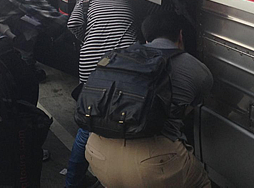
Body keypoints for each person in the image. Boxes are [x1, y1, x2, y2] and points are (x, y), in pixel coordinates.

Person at [85, 11, 214, 188]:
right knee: (201, 183)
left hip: (97, 152)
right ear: (181, 35)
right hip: (153, 162)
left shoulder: (115, 56)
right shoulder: (198, 69)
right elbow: (187, 111)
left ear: (146, 39)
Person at [65, 0, 139, 188]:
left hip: (89, 60)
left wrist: (90, 39)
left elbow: (72, 23)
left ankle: (73, 182)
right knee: (119, 118)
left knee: (88, 121)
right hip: (120, 62)